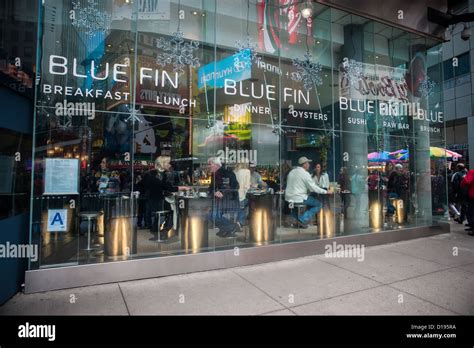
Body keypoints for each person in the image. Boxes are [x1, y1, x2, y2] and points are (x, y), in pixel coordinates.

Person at [143, 156, 189, 240]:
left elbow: (154, 187)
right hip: (159, 201)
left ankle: (158, 231)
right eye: (168, 163)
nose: (169, 165)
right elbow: (167, 187)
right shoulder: (162, 174)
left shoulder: (151, 173)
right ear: (163, 164)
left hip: (153, 201)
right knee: (172, 211)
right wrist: (181, 188)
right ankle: (164, 231)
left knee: (168, 212)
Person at [285, 156, 332, 228]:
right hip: (299, 197)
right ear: (304, 164)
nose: (309, 165)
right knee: (319, 204)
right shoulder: (305, 174)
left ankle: (295, 221)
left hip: (289, 198)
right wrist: (326, 192)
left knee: (294, 205)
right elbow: (313, 188)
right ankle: (302, 219)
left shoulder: (292, 171)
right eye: (308, 163)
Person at [208, 157, 240, 237]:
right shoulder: (214, 174)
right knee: (211, 216)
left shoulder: (227, 173)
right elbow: (211, 187)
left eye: (210, 164)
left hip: (229, 200)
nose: (209, 166)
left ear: (216, 165)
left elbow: (234, 186)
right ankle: (226, 228)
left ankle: (232, 227)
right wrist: (214, 192)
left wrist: (222, 192)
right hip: (220, 201)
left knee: (213, 216)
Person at [234, 161, 251, 231]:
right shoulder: (247, 171)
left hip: (235, 193)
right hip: (243, 194)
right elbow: (247, 185)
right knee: (243, 209)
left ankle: (237, 224)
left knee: (239, 209)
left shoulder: (235, 171)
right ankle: (239, 224)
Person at [460, 168, 474, 236]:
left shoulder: (472, 172)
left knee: (470, 212)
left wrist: (464, 178)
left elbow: (466, 182)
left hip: (473, 195)